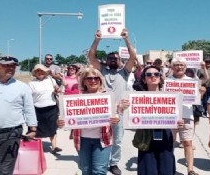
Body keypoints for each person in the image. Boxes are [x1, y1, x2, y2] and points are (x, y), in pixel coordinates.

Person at [88, 28, 136, 175]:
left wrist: (126, 39)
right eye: (110, 58)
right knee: (99, 137)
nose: (113, 60)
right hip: (101, 111)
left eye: (116, 58)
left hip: (119, 111)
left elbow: (133, 57)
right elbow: (91, 57)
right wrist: (97, 39)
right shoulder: (102, 71)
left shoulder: (124, 72)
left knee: (117, 140)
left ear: (120, 61)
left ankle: (114, 163)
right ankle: (100, 160)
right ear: (107, 61)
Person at [65, 67, 119, 175]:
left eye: (96, 78)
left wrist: (116, 118)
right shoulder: (76, 98)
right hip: (82, 140)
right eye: (89, 78)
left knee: (99, 171)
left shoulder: (108, 96)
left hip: (103, 139)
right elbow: (67, 117)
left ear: (100, 80)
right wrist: (62, 121)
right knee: (85, 170)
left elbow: (116, 114)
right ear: (83, 81)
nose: (93, 81)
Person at [0, 55, 37, 175]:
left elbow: (29, 108)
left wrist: (32, 128)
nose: (11, 68)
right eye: (7, 65)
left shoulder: (22, 87)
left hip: (10, 134)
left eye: (13, 66)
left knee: (4, 170)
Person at [128, 65, 176, 175]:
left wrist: (178, 121)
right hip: (146, 136)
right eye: (149, 74)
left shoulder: (170, 95)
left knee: (166, 168)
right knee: (148, 169)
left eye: (156, 74)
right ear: (144, 79)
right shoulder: (137, 97)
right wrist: (123, 107)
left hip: (165, 134)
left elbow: (176, 115)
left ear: (160, 77)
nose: (153, 76)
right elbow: (129, 115)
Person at [168, 57, 200, 175]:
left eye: (181, 65)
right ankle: (169, 168)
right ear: (172, 67)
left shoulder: (192, 81)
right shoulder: (167, 81)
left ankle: (190, 169)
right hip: (170, 117)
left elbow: (196, 99)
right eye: (176, 65)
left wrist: (200, 92)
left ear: (185, 67)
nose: (179, 67)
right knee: (169, 144)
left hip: (187, 116)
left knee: (188, 143)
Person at [28, 64, 62, 154]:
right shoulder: (31, 83)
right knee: (35, 128)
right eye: (37, 71)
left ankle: (54, 147)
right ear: (35, 73)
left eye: (41, 71)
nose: (40, 73)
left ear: (45, 72)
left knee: (53, 127)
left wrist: (56, 91)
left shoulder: (51, 80)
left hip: (51, 107)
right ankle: (33, 146)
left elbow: (57, 90)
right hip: (37, 108)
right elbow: (29, 96)